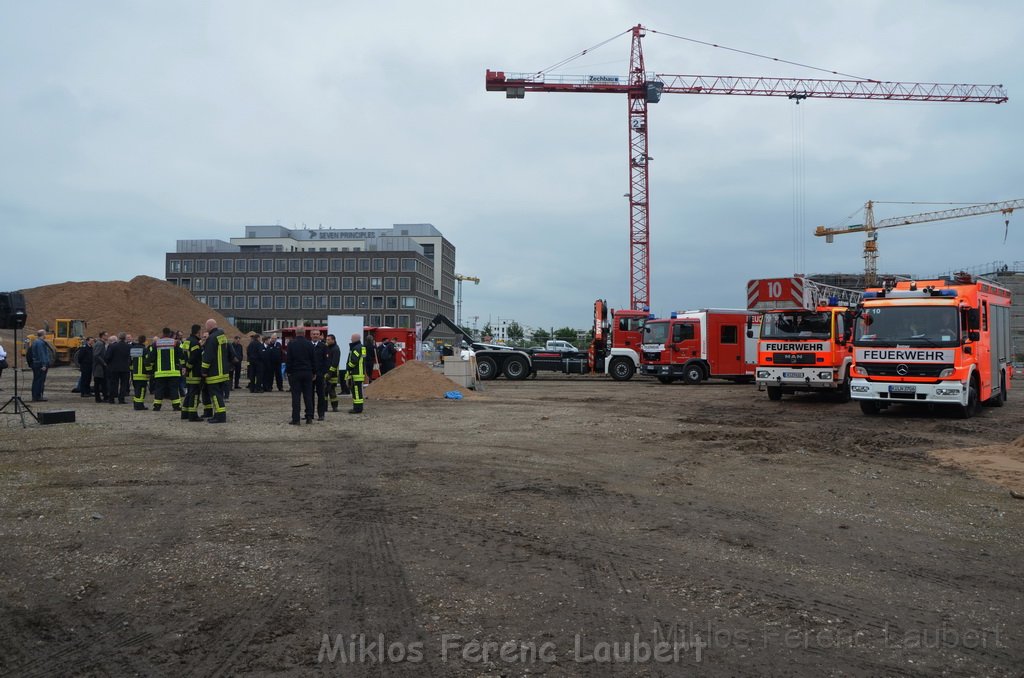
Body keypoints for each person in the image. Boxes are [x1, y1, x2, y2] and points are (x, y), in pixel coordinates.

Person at [201, 318, 230, 423]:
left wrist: (204, 370)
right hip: (223, 372)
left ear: (210, 326)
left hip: (214, 373)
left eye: (206, 326)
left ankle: (220, 416)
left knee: (215, 396)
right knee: (219, 395)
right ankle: (217, 414)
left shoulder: (212, 338)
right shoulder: (222, 336)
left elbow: (208, 356)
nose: (205, 328)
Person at [285, 331, 315, 424]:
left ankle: (296, 419)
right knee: (308, 395)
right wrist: (314, 372)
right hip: (307, 372)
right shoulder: (309, 344)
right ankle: (309, 417)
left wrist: (288, 371)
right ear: (305, 333)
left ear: (296, 333)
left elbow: (288, 359)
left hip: (295, 372)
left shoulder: (291, 344)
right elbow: (313, 359)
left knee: (296, 397)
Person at [151, 327, 183, 412]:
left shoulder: (156, 343)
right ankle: (176, 406)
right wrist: (182, 365)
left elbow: (151, 357)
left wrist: (150, 368)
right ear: (169, 334)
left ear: (163, 333)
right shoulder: (175, 343)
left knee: (159, 389)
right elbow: (181, 355)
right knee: (174, 389)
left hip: (160, 372)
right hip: (173, 372)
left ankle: (157, 406)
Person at [180, 325, 204, 420]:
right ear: (198, 332)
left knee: (189, 394)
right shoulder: (195, 343)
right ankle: (193, 415)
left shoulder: (187, 341)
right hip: (194, 373)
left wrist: (184, 368)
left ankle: (184, 413)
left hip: (188, 374)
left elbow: (183, 357)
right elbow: (194, 358)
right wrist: (188, 368)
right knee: (195, 395)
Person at [129, 334, 153, 410]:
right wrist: (149, 372)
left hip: (134, 374)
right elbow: (147, 362)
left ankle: (136, 404)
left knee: (137, 390)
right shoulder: (145, 350)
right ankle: (140, 405)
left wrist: (132, 370)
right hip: (142, 374)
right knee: (142, 390)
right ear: (145, 341)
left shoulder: (133, 349)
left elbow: (130, 361)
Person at [27, 329, 51, 402]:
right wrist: (44, 364)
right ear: (43, 335)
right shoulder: (40, 343)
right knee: (39, 381)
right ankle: (38, 396)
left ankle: (35, 396)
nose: (46, 335)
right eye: (45, 334)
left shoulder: (35, 342)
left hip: (36, 364)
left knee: (36, 380)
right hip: (40, 364)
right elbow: (42, 354)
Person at [346, 332, 367, 414]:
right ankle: (358, 407)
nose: (351, 339)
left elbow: (354, 360)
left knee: (356, 391)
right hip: (360, 372)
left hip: (356, 373)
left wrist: (348, 367)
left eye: (352, 338)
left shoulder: (356, 348)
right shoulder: (362, 347)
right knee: (358, 390)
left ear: (355, 339)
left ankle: (357, 408)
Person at [310, 328, 328, 420]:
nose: (315, 335)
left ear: (319, 335)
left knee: (321, 395)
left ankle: (321, 414)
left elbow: (326, 361)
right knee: (309, 395)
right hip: (309, 375)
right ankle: (310, 414)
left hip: (320, 375)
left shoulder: (323, 346)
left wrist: (322, 373)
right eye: (314, 334)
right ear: (311, 335)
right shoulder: (308, 346)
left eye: (317, 334)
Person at [324, 333, 342, 412]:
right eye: (326, 339)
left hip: (332, 374)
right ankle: (324, 407)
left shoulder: (335, 349)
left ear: (333, 340)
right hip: (326, 372)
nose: (327, 341)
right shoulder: (328, 347)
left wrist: (330, 373)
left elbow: (335, 363)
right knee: (324, 391)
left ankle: (335, 407)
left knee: (331, 390)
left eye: (328, 340)